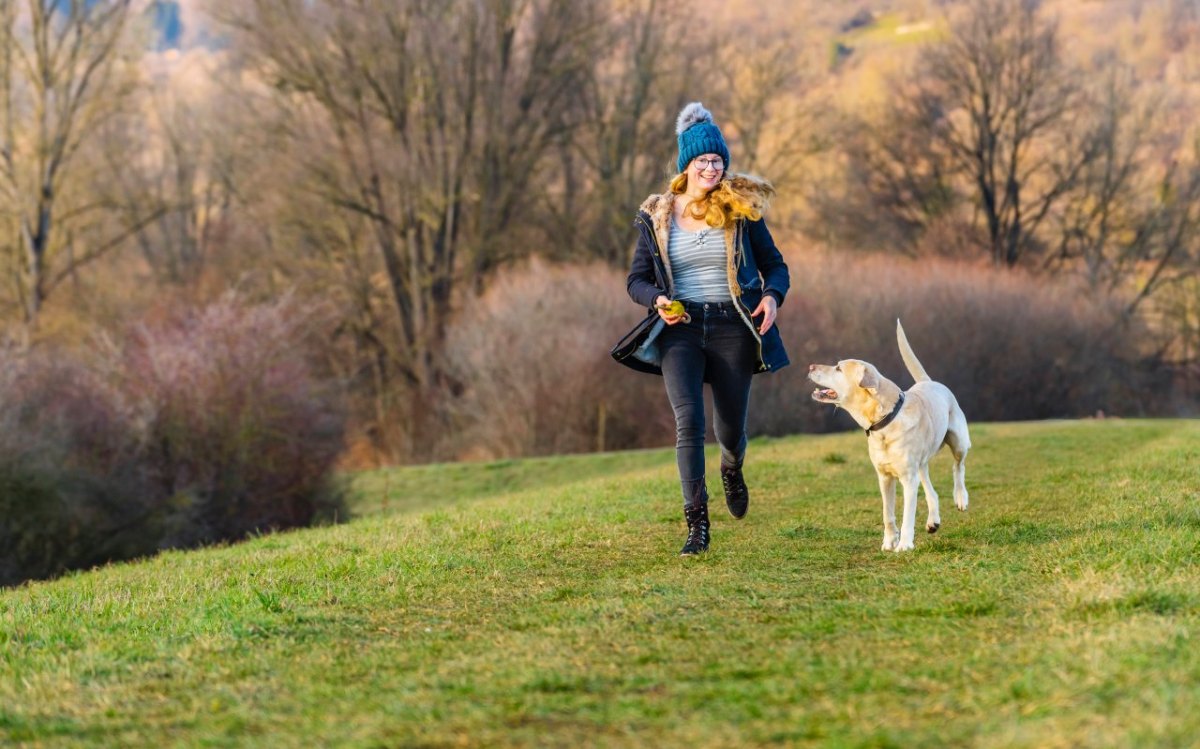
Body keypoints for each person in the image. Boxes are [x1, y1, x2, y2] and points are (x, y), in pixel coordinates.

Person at [619, 102, 791, 556]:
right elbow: (636, 280)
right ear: (687, 165)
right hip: (682, 328)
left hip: (734, 326)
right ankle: (697, 523)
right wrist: (657, 300)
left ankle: (732, 468)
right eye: (704, 161)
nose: (713, 168)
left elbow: (776, 267)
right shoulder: (657, 215)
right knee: (688, 422)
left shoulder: (741, 209)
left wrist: (771, 297)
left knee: (730, 428)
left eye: (718, 160)